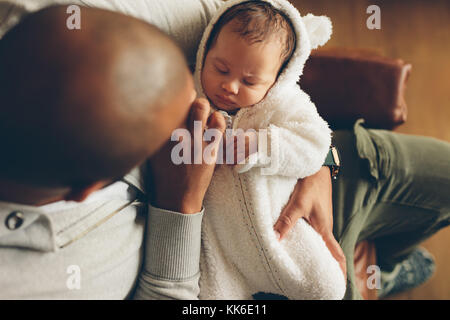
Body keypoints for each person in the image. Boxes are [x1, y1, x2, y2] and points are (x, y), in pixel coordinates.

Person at [193, 0, 346, 299]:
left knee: (328, 289)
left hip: (282, 233)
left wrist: (264, 145)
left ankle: (391, 273)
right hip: (222, 251)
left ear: (278, 78)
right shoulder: (191, 102)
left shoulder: (283, 104)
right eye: (220, 69)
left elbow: (315, 142)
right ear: (204, 54)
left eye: (250, 81)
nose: (231, 87)